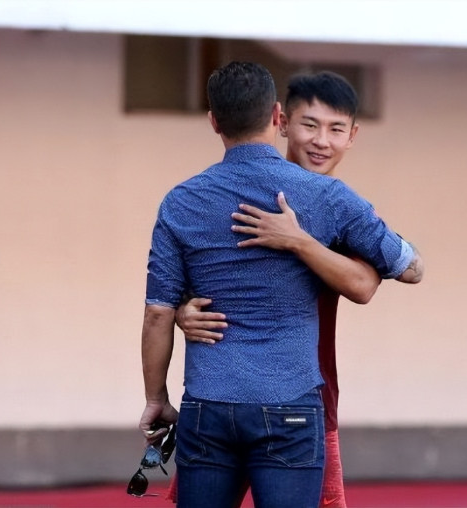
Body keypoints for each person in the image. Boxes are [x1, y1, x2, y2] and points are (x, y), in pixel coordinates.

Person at [139, 61, 423, 508]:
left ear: (214, 121)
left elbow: (364, 286)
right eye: (310, 125)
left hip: (214, 399)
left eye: (335, 128)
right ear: (280, 120)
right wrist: (182, 310)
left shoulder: (185, 199)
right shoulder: (330, 201)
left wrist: (298, 240)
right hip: (292, 399)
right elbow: (408, 266)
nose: (321, 140)